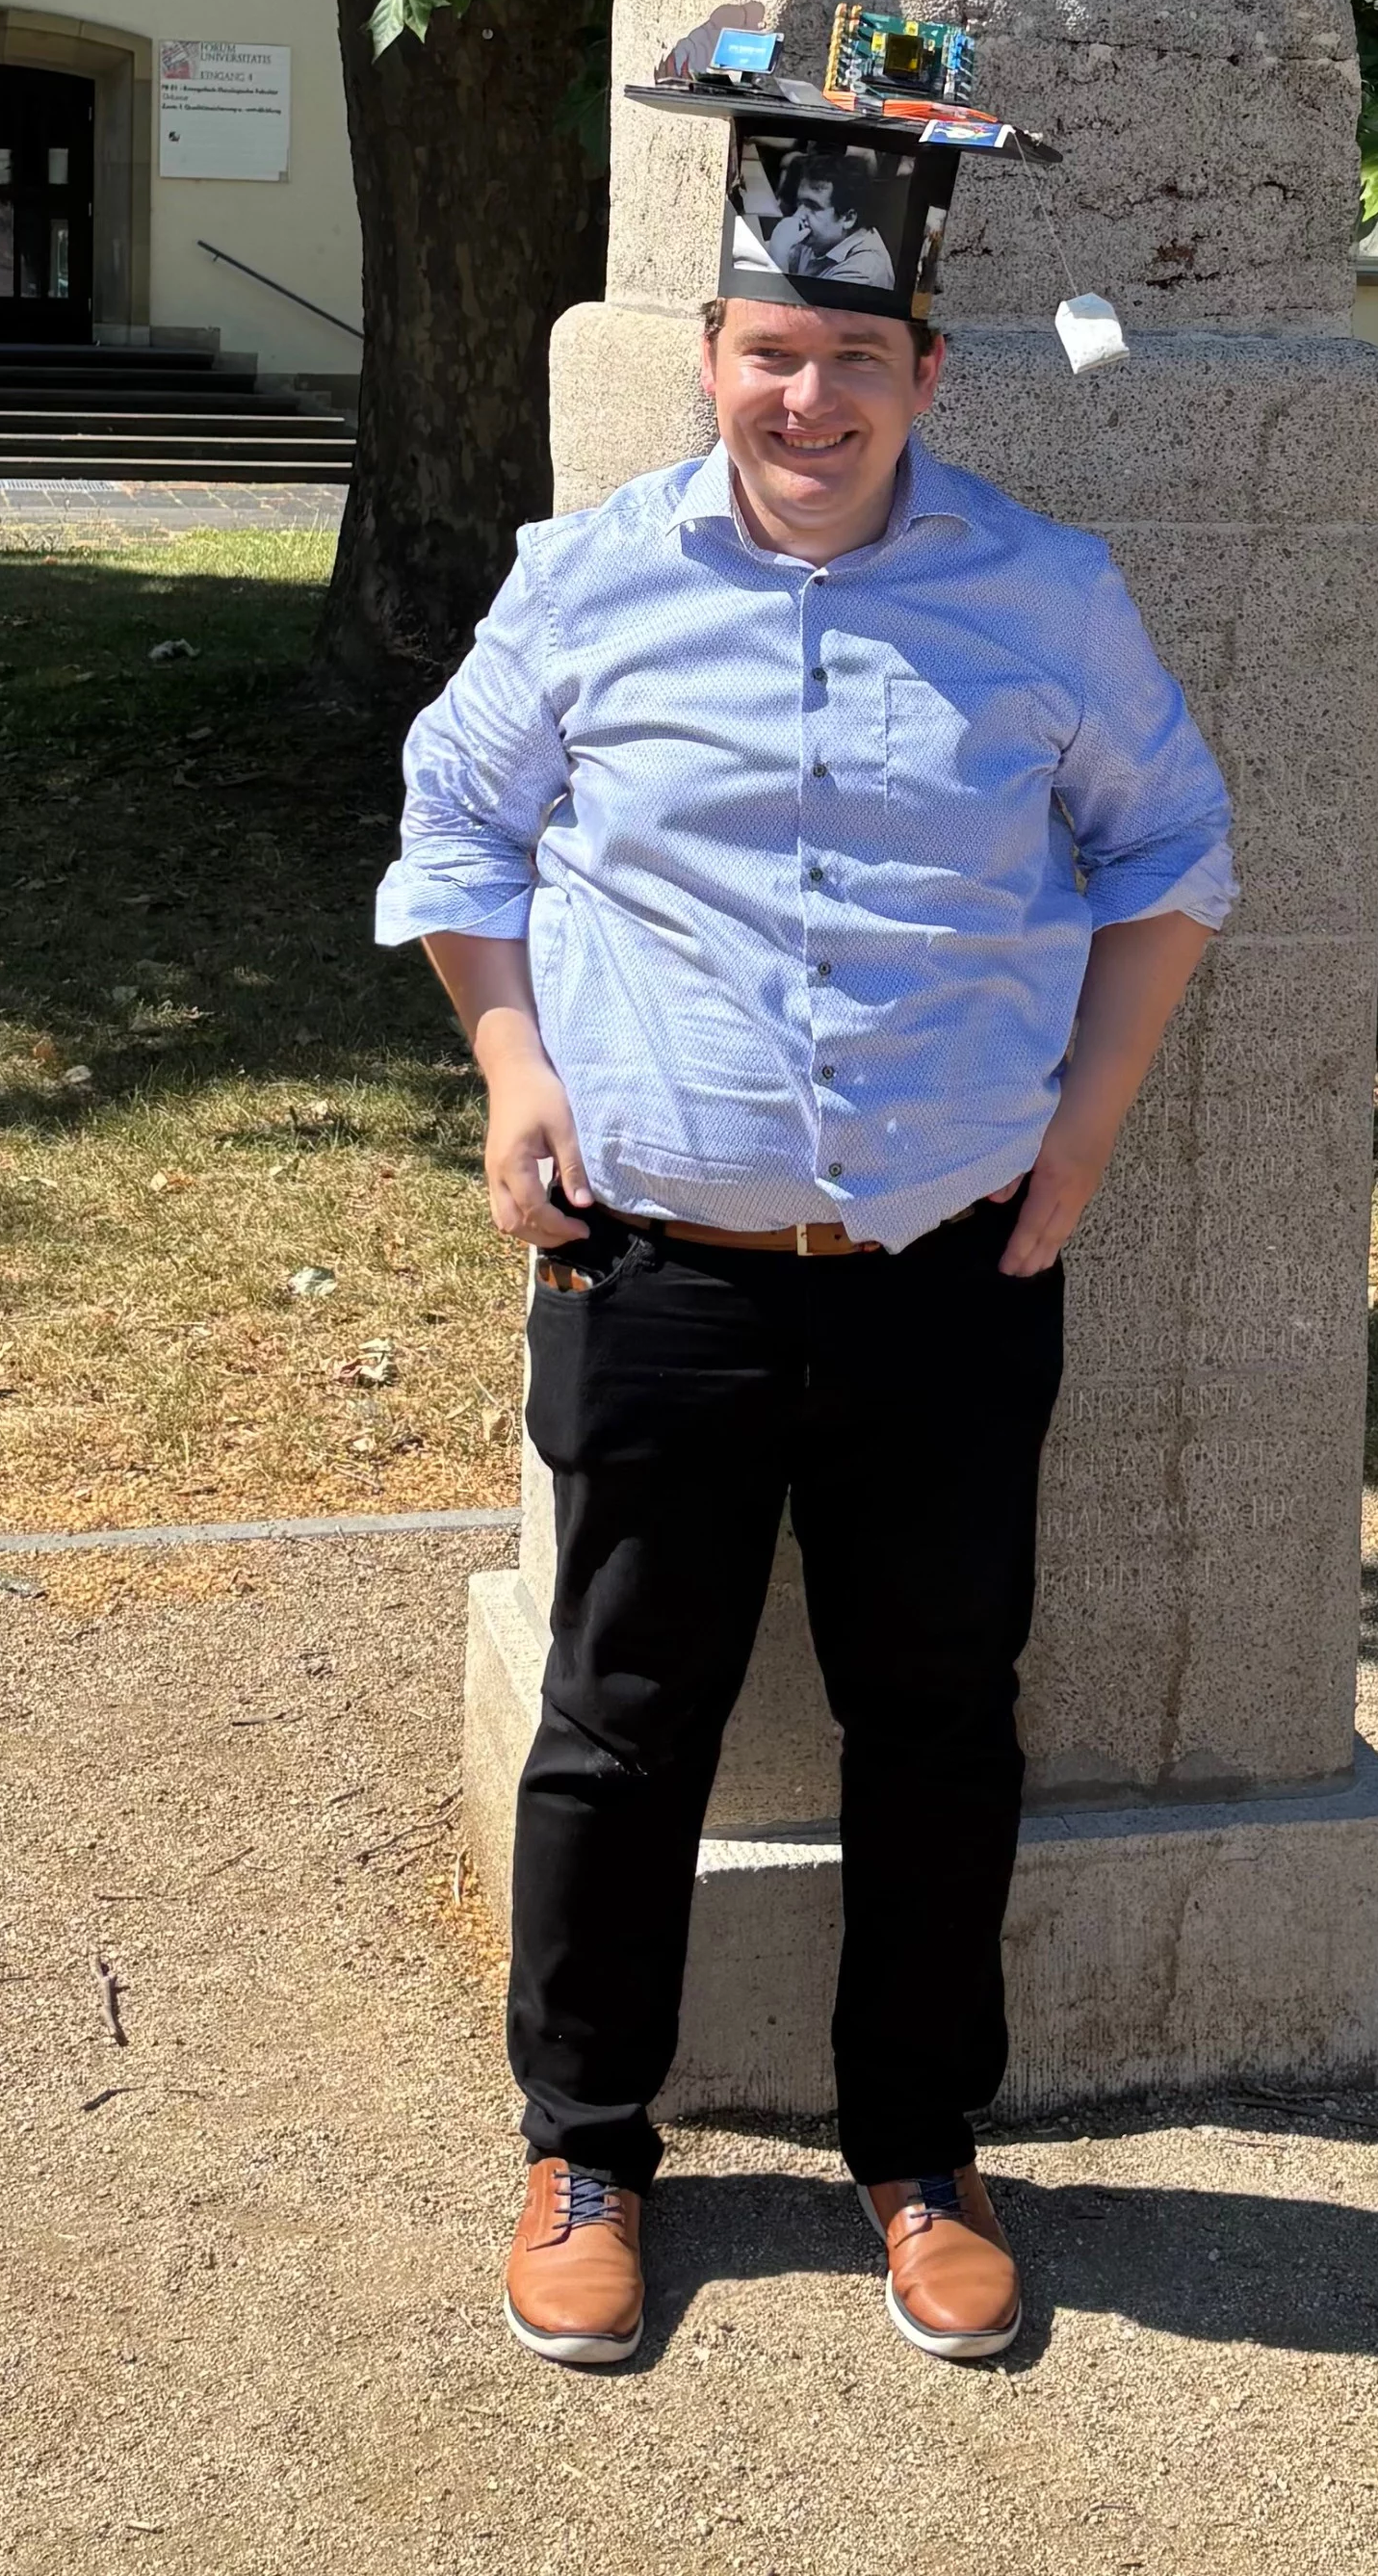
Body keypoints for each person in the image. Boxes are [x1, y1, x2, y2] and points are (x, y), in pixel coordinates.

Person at [376, 291, 1235, 2369]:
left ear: (927, 377)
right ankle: (586, 2148)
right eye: (772, 352)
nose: (810, 399)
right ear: (708, 359)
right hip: (655, 1272)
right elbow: (457, 823)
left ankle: (920, 2153)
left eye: (859, 359)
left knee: (936, 1715)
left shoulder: (1044, 592)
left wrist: (1085, 1134)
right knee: (621, 1714)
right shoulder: (585, 582)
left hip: (947, 1277)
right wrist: (510, 1068)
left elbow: (1171, 849)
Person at [739, 143, 897, 291]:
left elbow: (790, 310)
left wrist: (778, 254)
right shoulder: (821, 236)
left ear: (848, 218)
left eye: (813, 206)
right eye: (800, 203)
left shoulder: (863, 273)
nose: (798, 215)